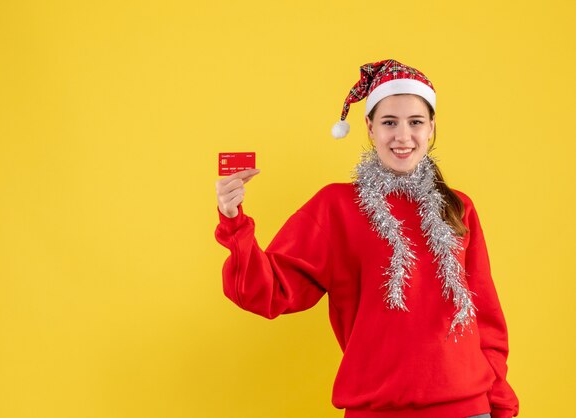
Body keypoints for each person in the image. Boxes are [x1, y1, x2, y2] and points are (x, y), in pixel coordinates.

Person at [214, 59, 519, 418]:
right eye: (389, 122)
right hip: (376, 408)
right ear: (370, 128)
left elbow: (486, 318)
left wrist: (501, 405)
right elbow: (268, 292)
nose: (403, 136)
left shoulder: (458, 207)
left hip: (468, 409)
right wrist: (235, 224)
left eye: (416, 122)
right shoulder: (336, 206)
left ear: (432, 128)